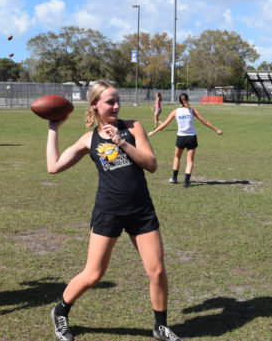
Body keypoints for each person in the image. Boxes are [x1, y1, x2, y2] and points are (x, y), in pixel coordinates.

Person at [47, 81, 182, 341]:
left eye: (117, 100)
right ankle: (60, 311)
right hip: (108, 211)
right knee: (94, 274)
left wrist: (122, 142)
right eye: (110, 102)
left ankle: (160, 326)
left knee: (157, 271)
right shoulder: (89, 139)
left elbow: (151, 165)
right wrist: (53, 129)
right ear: (95, 105)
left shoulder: (133, 128)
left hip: (141, 210)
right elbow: (53, 166)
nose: (116, 106)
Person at [148, 93, 222, 188]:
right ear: (188, 99)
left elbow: (164, 124)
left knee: (177, 157)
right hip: (191, 137)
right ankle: (186, 182)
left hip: (181, 138)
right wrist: (217, 129)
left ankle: (174, 179)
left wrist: (153, 132)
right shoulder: (192, 110)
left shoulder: (175, 111)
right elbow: (204, 121)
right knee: (190, 161)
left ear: (179, 101)